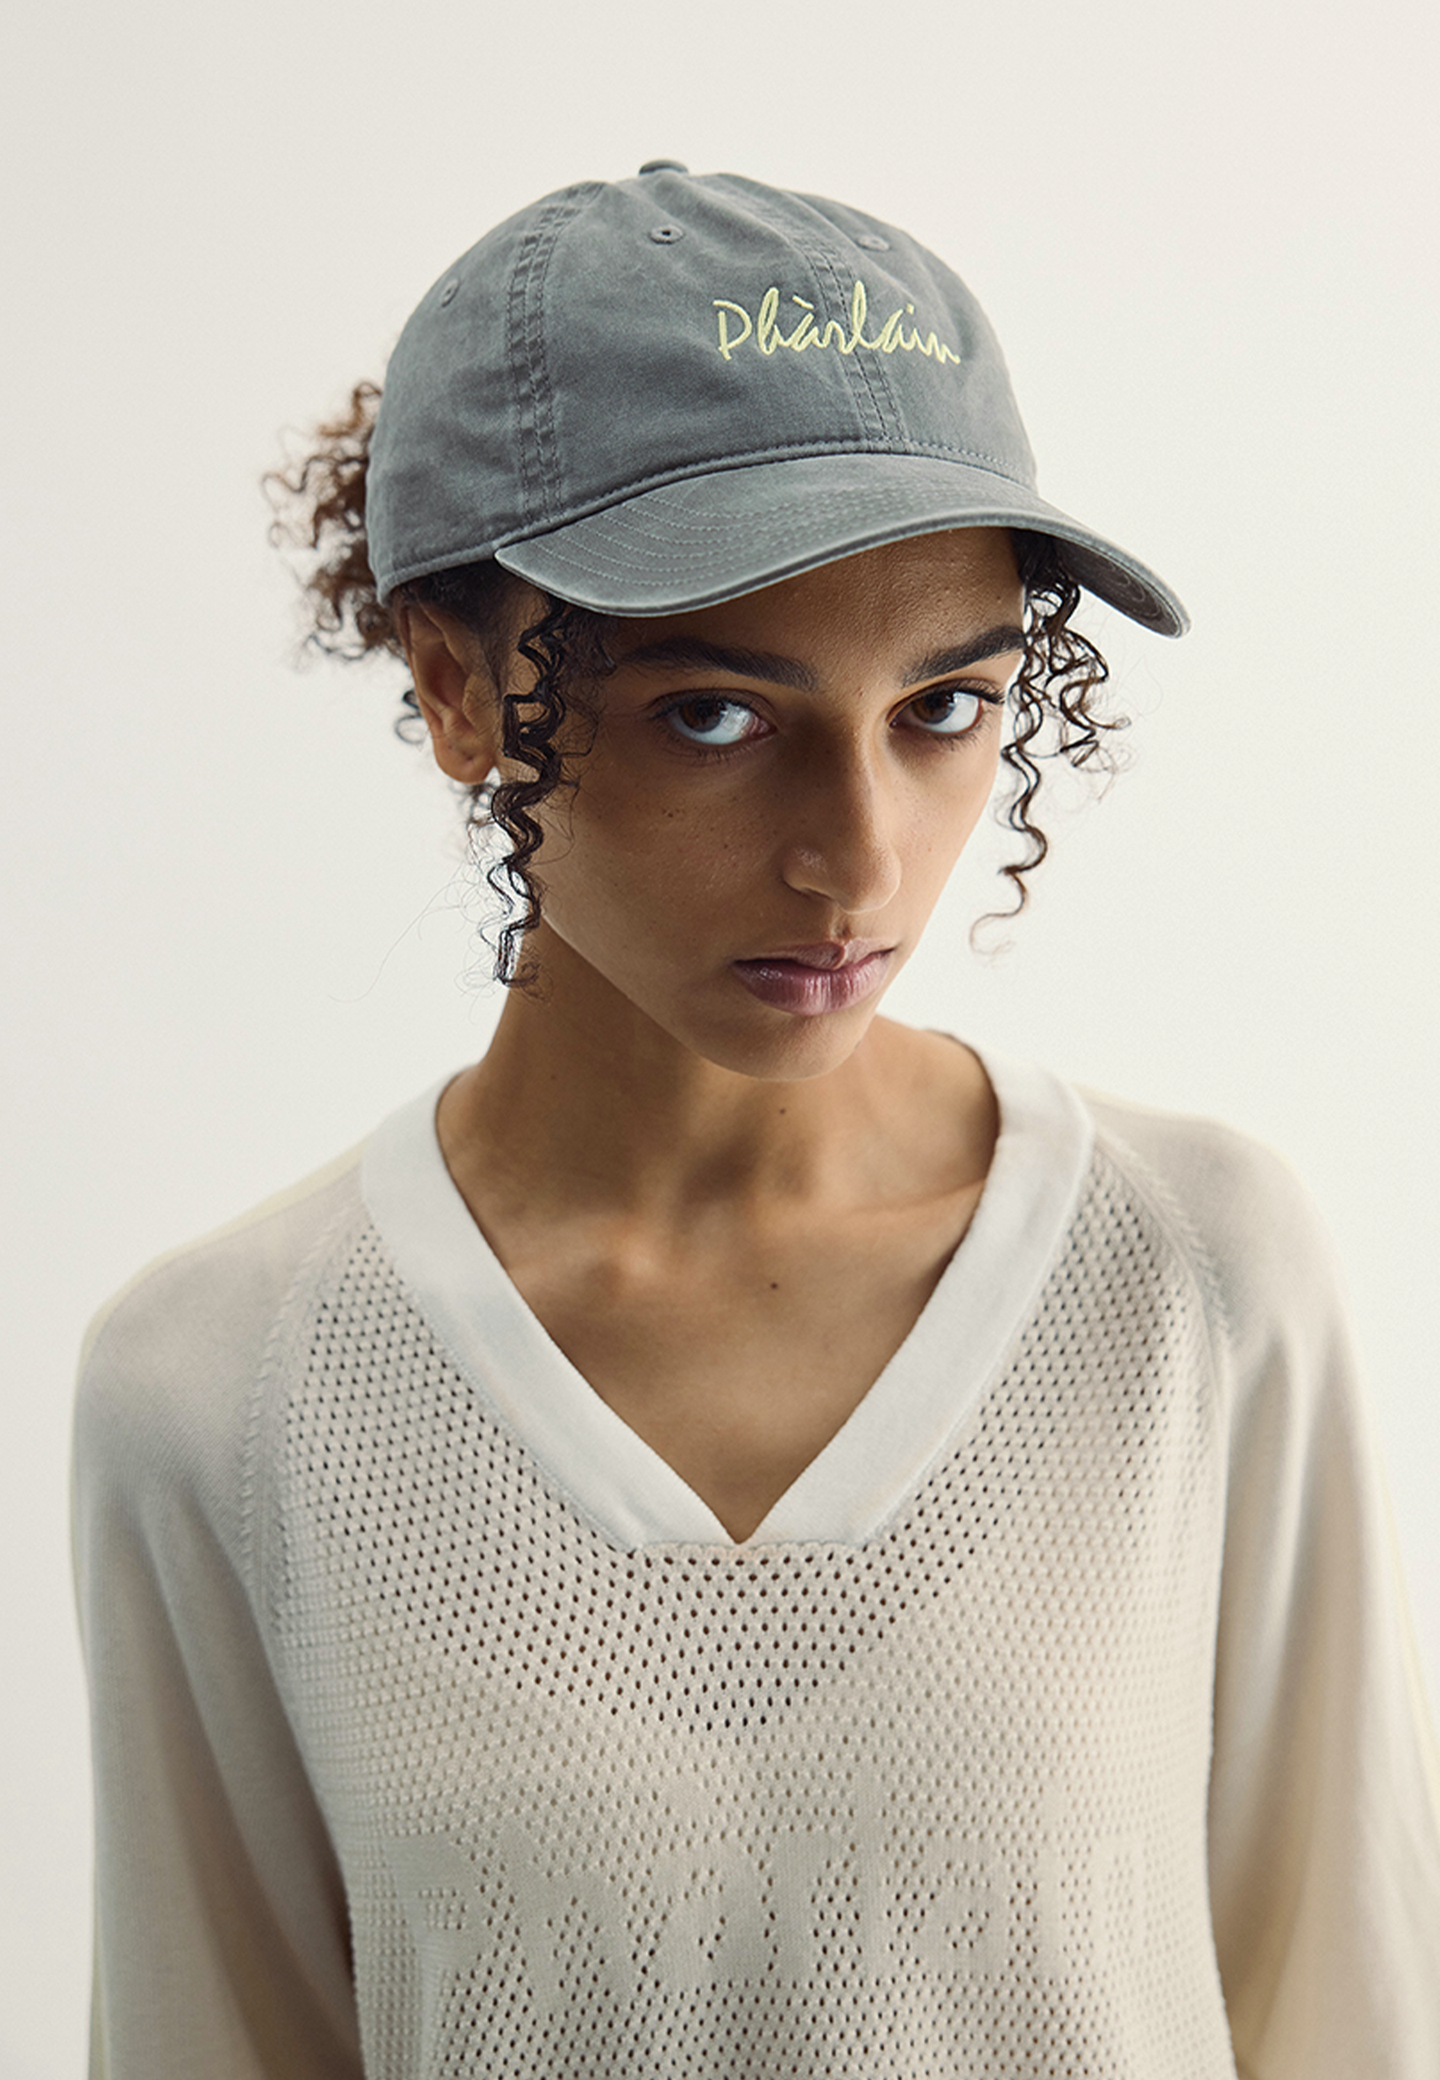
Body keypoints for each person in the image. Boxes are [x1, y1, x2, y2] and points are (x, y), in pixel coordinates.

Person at [71, 165, 1440, 2078]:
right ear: (458, 692)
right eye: (715, 714)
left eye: (944, 708)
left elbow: (1356, 2015)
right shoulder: (222, 1390)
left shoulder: (1191, 1277)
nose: (859, 861)